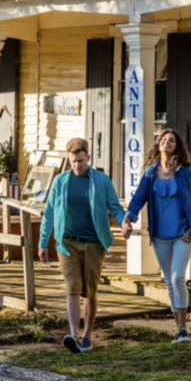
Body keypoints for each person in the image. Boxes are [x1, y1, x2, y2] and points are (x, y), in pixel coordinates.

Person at [39, 137, 126, 354]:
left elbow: (114, 207)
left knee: (90, 291)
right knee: (72, 288)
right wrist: (42, 242)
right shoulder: (60, 182)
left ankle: (87, 334)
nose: (76, 165)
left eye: (80, 161)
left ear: (88, 157)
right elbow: (49, 213)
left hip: (94, 243)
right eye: (72, 162)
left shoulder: (102, 180)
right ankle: (73, 335)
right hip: (67, 243)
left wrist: (125, 222)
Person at [122, 129, 191, 343]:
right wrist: (128, 219)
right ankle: (179, 330)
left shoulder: (185, 172)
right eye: (164, 139)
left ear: (177, 146)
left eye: (172, 140)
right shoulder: (149, 173)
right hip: (159, 236)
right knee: (169, 281)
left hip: (183, 235)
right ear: (159, 144)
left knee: (177, 278)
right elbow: (138, 199)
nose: (167, 142)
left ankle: (183, 329)